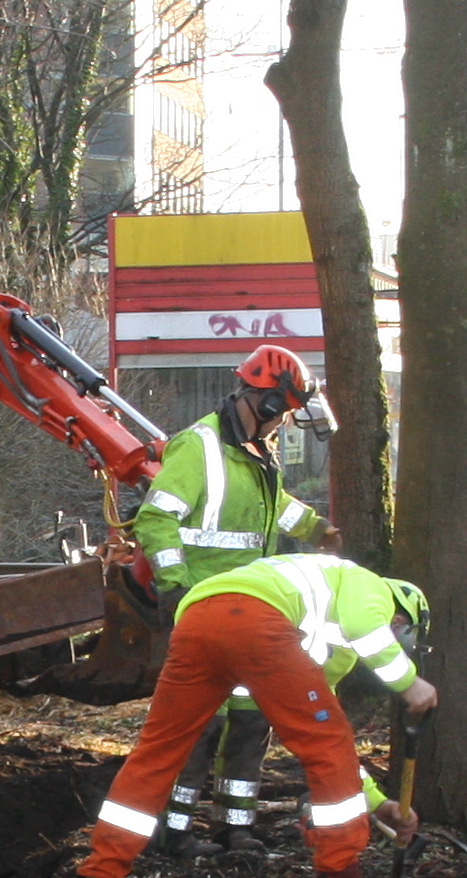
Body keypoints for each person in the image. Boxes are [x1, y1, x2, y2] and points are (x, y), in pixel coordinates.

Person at [72, 553, 434, 878]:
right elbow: (364, 631)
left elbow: (327, 732)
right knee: (326, 746)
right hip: (257, 618)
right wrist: (409, 683)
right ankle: (340, 877)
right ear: (400, 616)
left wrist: (377, 802)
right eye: (399, 631)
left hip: (197, 619)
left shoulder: (328, 636)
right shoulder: (369, 585)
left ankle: (100, 876)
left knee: (157, 752)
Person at [131, 346, 333, 849]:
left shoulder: (254, 455)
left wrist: (316, 529)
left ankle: (234, 826)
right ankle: (173, 832)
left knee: (249, 720)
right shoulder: (198, 447)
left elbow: (269, 511)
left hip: (253, 616)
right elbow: (156, 519)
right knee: (199, 725)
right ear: (262, 403)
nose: (283, 423)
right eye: (282, 412)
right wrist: (175, 588)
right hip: (202, 613)